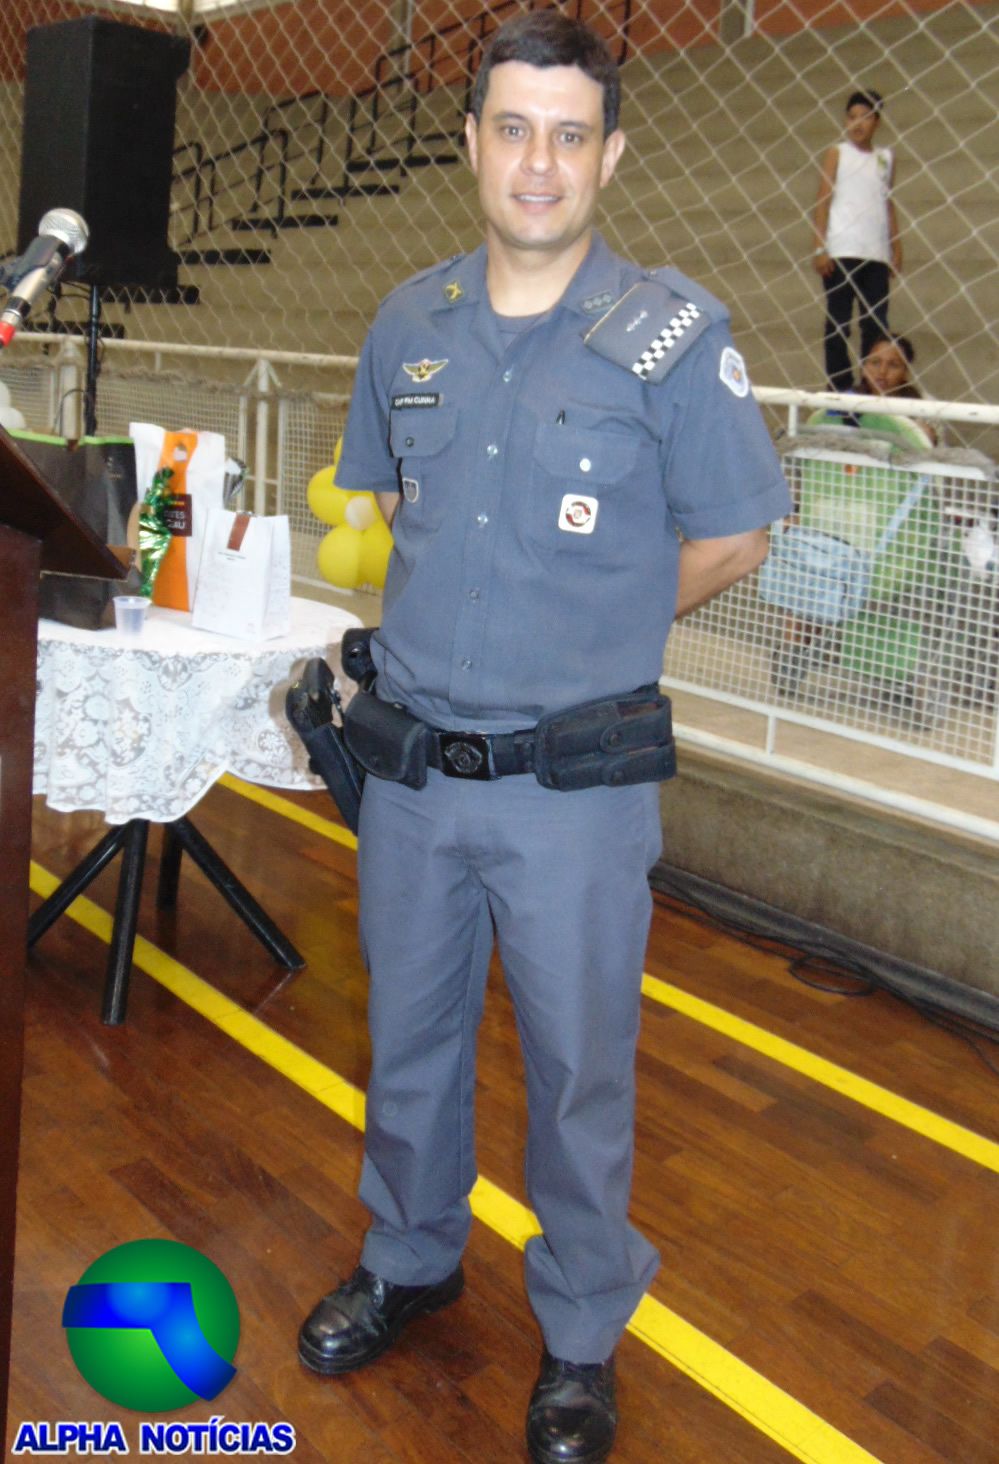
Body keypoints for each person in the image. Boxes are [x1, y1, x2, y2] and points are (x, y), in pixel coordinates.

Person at [297, 14, 792, 1462]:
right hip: (411, 774)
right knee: (409, 1040)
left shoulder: (670, 335)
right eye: (512, 128)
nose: (537, 162)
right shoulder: (410, 321)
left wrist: (593, 629)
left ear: (609, 155)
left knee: (579, 1074)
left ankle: (578, 1334)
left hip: (571, 788)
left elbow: (738, 534)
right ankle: (409, 1255)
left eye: (569, 135)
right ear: (471, 142)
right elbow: (390, 504)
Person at [813, 88, 902, 392]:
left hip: (875, 253)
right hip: (842, 250)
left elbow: (887, 202)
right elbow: (823, 200)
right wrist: (820, 246)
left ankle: (869, 383)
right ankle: (838, 386)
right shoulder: (837, 153)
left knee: (875, 323)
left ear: (877, 121)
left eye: (865, 117)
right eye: (851, 117)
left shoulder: (885, 158)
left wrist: (895, 245)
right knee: (838, 322)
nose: (857, 123)